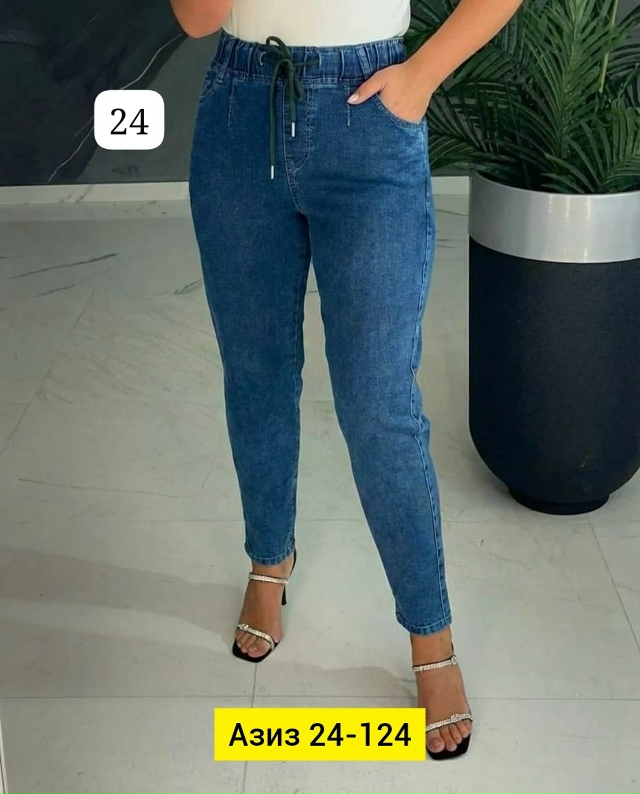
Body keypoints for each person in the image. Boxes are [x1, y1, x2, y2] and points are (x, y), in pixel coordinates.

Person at [171, 0, 523, 760]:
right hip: (239, 111)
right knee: (256, 372)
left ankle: (430, 634)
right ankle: (269, 560)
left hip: (370, 113)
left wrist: (421, 77)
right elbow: (197, 19)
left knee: (377, 402)